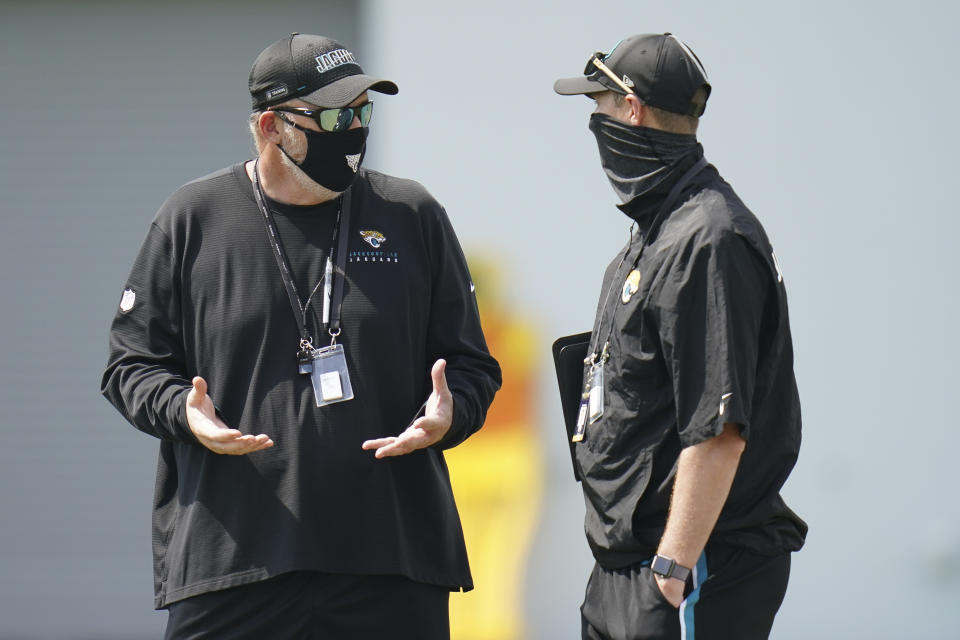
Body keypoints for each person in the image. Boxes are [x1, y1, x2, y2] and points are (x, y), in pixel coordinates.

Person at [101, 33, 500, 640]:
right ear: (271, 126)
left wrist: (452, 415)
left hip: (389, 564)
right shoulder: (193, 219)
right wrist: (184, 412)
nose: (356, 129)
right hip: (235, 564)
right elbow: (130, 365)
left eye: (364, 111)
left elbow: (473, 368)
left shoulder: (411, 214)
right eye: (337, 115)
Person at [553, 33, 807, 640]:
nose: (594, 121)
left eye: (600, 105)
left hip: (689, 570)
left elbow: (718, 431)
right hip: (629, 569)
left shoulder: (709, 238)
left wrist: (670, 572)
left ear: (631, 109)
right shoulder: (659, 229)